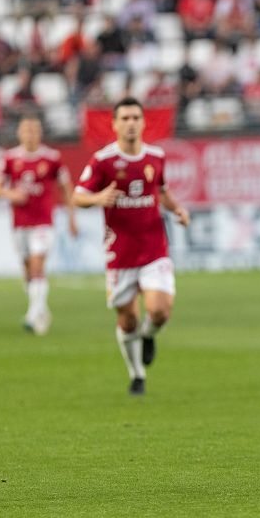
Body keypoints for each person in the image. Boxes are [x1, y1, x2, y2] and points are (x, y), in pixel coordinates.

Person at [72, 97, 190, 395]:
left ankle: (149, 336)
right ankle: (137, 374)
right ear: (114, 124)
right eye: (124, 118)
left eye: (135, 117)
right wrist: (98, 199)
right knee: (127, 319)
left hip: (154, 248)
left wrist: (177, 209)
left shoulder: (156, 157)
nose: (130, 123)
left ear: (143, 122)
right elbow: (78, 197)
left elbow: (160, 190)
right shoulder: (103, 161)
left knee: (160, 310)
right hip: (120, 254)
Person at [0, 114, 77, 335]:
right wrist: (12, 194)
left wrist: (72, 218)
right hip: (20, 224)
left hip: (43, 222)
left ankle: (32, 314)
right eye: (26, 130)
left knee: (38, 265)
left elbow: (66, 188)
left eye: (34, 130)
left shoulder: (52, 158)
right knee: (28, 271)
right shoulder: (9, 158)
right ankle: (41, 310)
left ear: (40, 133)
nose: (30, 135)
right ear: (19, 133)